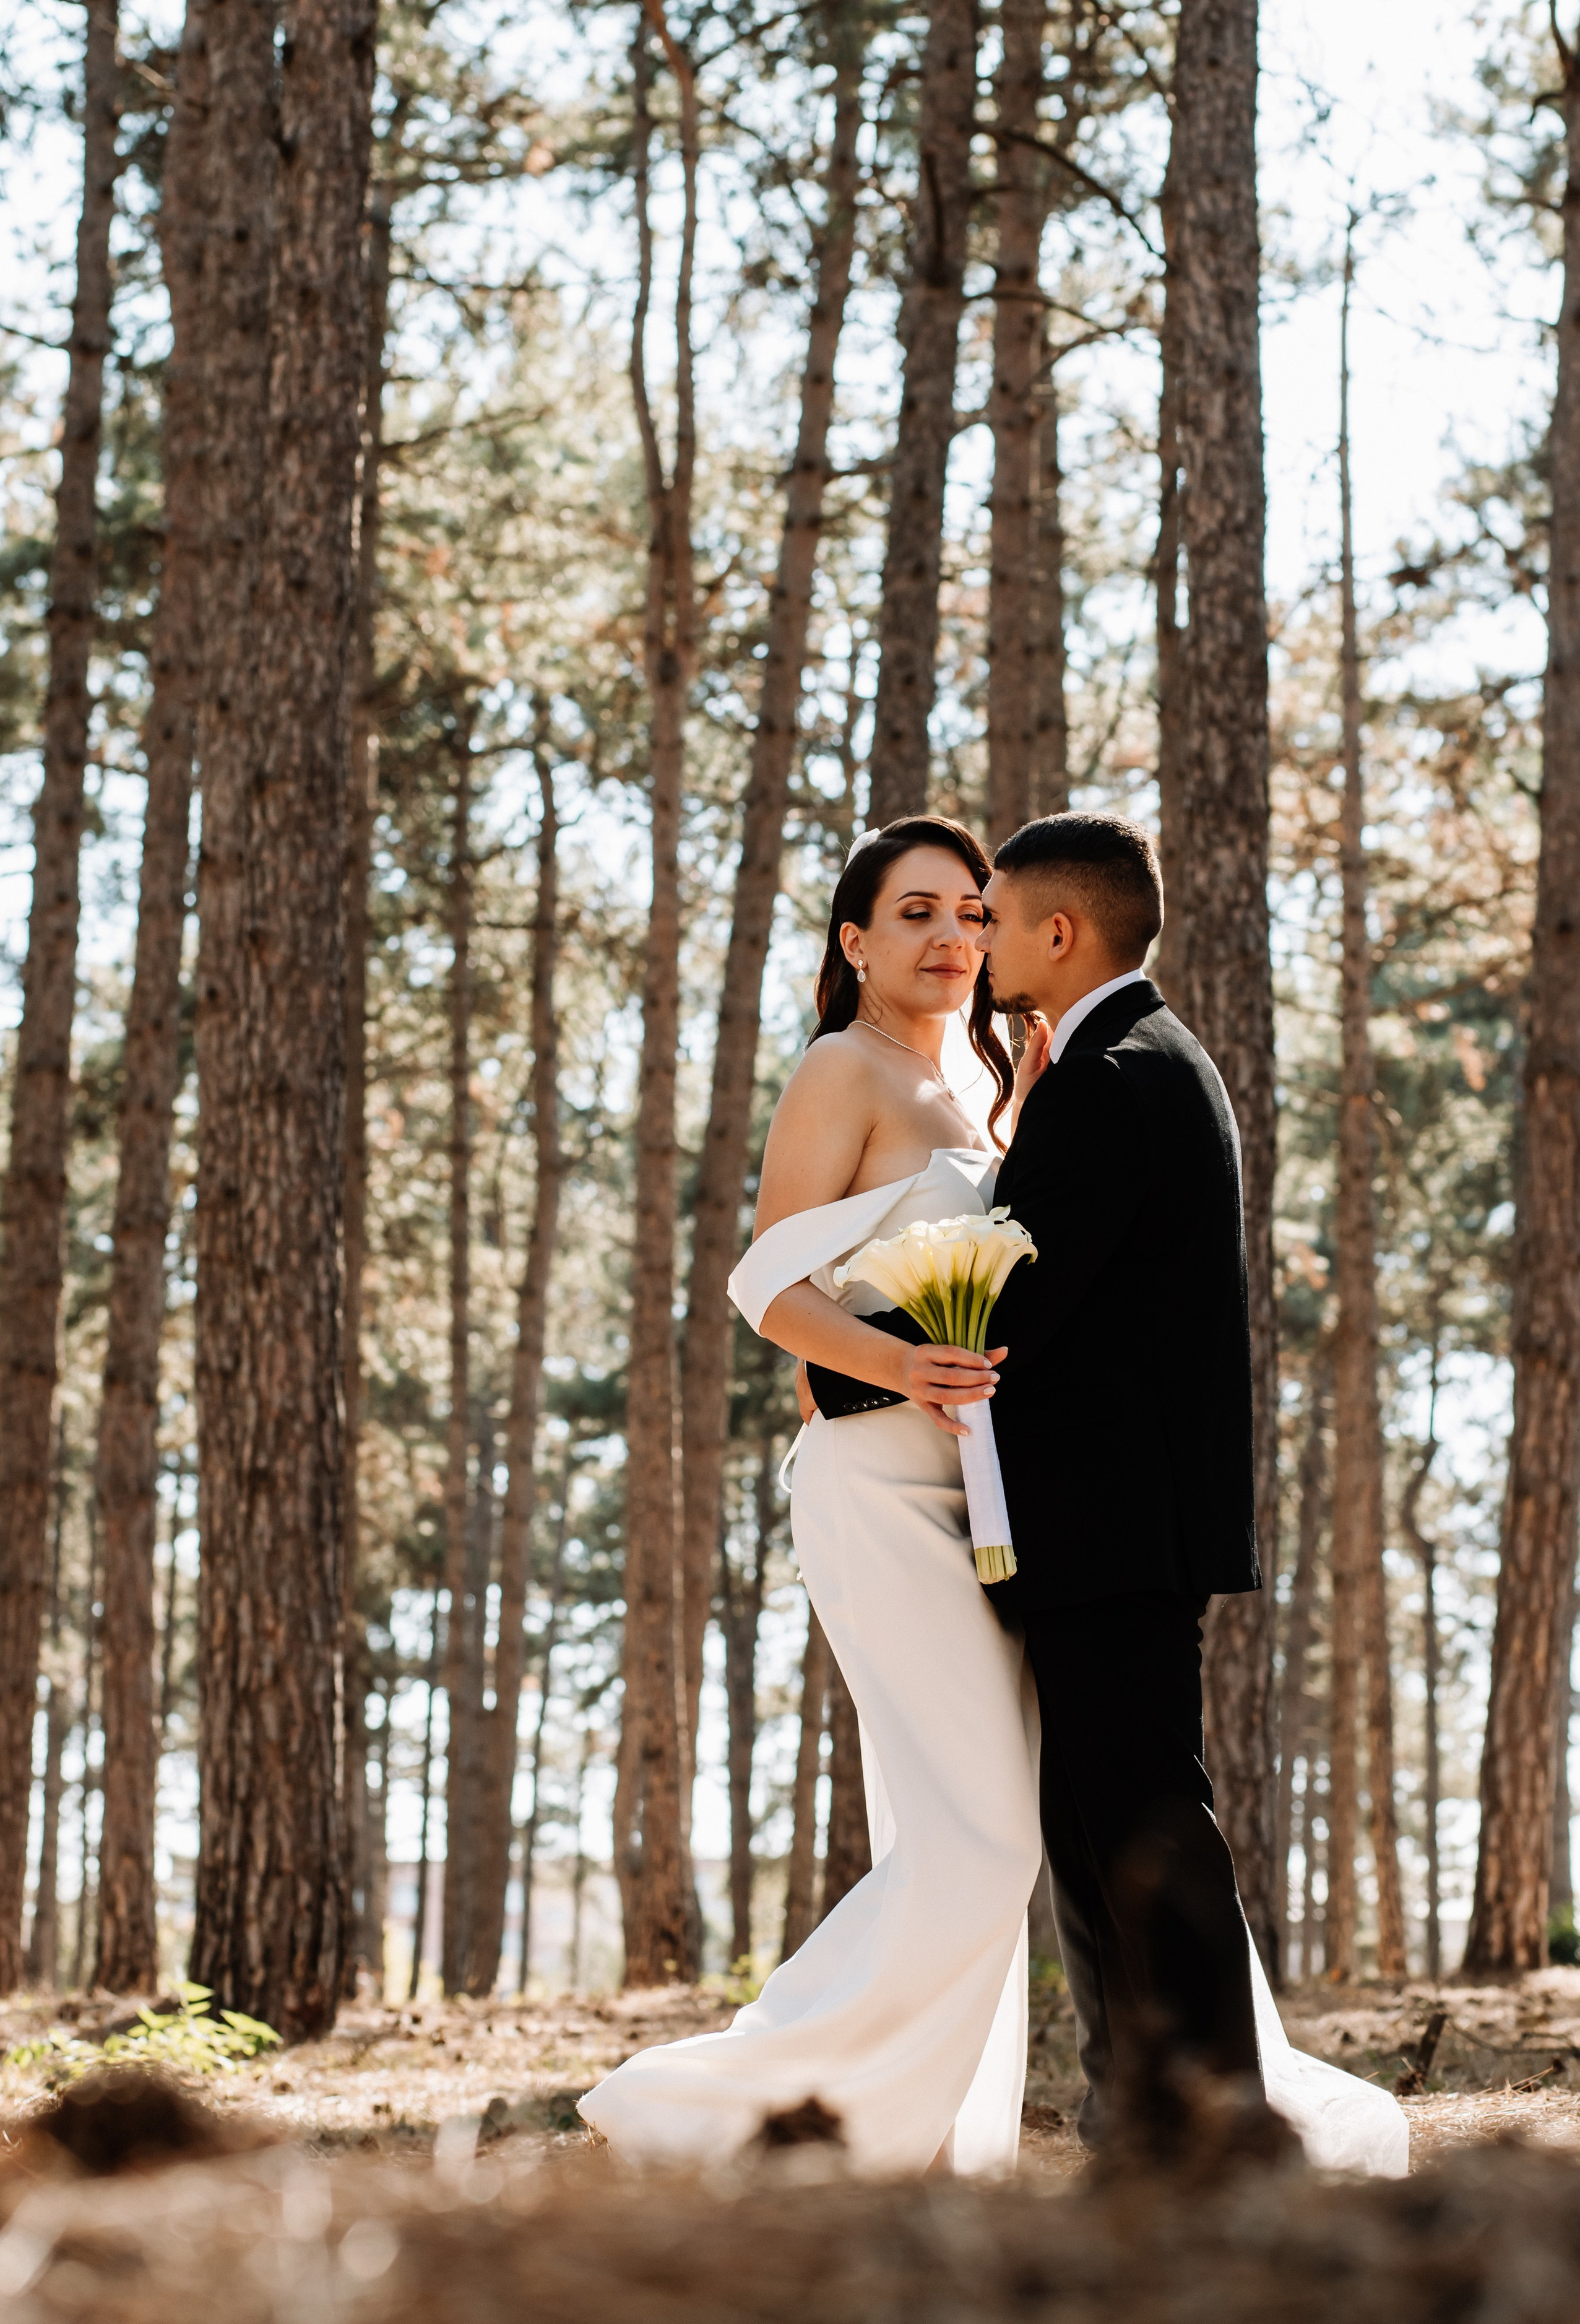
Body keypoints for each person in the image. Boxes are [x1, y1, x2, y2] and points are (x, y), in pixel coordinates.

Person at [579, 811, 1407, 2180]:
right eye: (915, 913)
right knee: (977, 1839)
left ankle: (1059, 2109)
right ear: (852, 943)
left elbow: (1059, 1262)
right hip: (884, 1486)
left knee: (1035, 1819)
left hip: (995, 1504)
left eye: (971, 912)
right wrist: (904, 1367)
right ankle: (738, 2102)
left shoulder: (1003, 1081)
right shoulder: (836, 1073)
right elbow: (766, 1290)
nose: (953, 935)